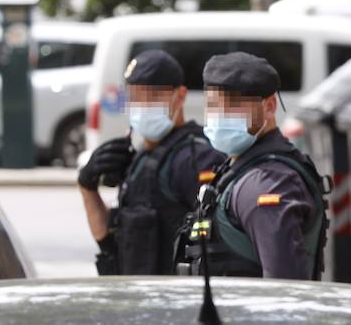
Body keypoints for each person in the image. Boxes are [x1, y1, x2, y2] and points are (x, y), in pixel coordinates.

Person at [178, 51, 328, 280]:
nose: (219, 115)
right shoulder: (239, 166)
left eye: (233, 105)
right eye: (213, 105)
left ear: (269, 106)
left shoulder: (267, 182)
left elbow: (282, 286)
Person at [77, 50, 224, 275]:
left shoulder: (195, 157)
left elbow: (214, 247)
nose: (143, 106)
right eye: (136, 97)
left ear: (180, 95)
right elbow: (108, 240)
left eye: (154, 96)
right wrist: (87, 186)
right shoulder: (140, 157)